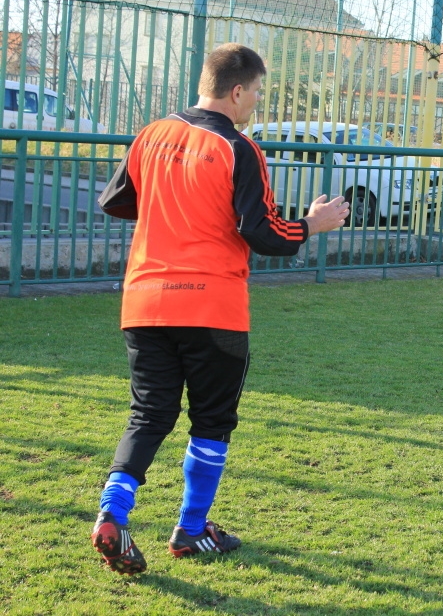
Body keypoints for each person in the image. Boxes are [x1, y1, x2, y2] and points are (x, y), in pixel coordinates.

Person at [91, 43, 351, 575]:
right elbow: (263, 232)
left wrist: (174, 203)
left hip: (144, 303)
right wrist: (312, 224)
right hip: (213, 307)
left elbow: (116, 200)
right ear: (237, 91)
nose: (256, 101)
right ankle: (190, 530)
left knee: (149, 414)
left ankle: (112, 515)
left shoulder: (152, 135)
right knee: (211, 421)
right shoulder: (238, 148)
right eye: (256, 92)